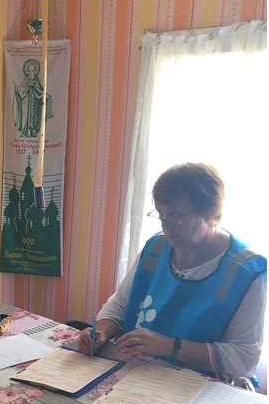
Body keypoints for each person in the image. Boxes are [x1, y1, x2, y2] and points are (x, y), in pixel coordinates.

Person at [78, 163, 267, 381]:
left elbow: (243, 359)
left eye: (176, 214)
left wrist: (170, 347)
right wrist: (100, 332)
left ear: (210, 211)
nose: (165, 224)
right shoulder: (157, 247)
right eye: (160, 214)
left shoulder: (246, 272)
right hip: (138, 374)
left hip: (198, 386)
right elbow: (120, 305)